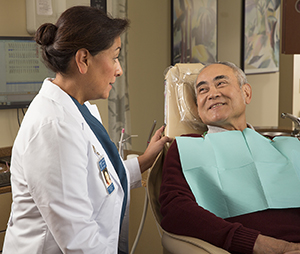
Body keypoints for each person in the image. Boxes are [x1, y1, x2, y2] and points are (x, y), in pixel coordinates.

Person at [2, 6, 172, 254]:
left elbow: (98, 178)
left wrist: (145, 160)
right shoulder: (53, 129)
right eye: (114, 57)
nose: (119, 69)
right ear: (83, 60)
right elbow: (79, 242)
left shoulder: (81, 109)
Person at [159, 61, 300, 254]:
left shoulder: (284, 146)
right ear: (198, 108)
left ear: (246, 93)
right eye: (202, 90)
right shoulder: (186, 147)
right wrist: (254, 243)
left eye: (221, 83)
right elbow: (176, 211)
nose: (212, 94)